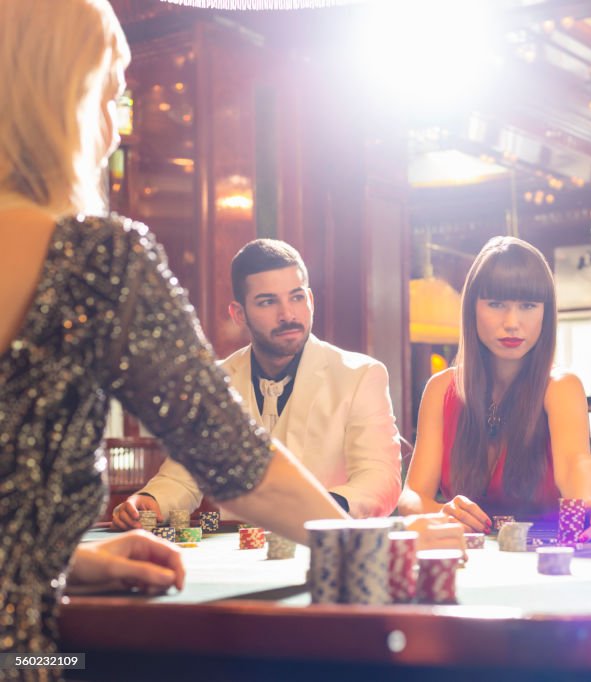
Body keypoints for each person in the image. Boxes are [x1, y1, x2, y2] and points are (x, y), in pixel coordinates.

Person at [0, 0, 459, 664]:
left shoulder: (357, 373)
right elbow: (240, 466)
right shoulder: (91, 257)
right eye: (108, 98)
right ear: (62, 97)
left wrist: (65, 562)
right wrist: (376, 549)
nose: (109, 133)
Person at [112, 239, 402, 529]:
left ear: (310, 301)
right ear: (239, 314)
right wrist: (151, 500)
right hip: (236, 556)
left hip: (326, 549)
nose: (288, 314)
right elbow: (181, 478)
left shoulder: (361, 374)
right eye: (268, 301)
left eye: (297, 297)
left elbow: (380, 479)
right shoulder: (215, 383)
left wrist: (321, 511)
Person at [398, 236, 591, 540]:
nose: (512, 322)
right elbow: (411, 496)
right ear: (472, 308)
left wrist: (590, 507)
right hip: (467, 560)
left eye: (528, 305)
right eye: (496, 304)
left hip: (546, 562)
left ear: (545, 313)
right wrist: (440, 512)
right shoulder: (440, 388)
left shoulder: (561, 387)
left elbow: (574, 462)